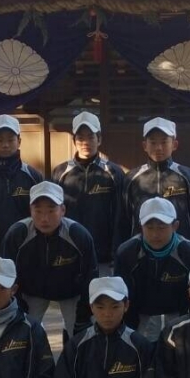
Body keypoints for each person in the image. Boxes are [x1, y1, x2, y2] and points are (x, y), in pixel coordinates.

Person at [1, 181, 98, 336]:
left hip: (71, 291)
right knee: (23, 332)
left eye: (51, 210)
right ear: (30, 210)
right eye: (38, 211)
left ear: (63, 210)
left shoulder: (78, 235)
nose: (44, 218)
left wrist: (84, 309)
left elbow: (90, 274)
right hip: (31, 291)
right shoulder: (17, 234)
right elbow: (8, 274)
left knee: (81, 333)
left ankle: (71, 348)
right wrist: (18, 303)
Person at [114, 197, 190, 341]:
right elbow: (122, 296)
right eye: (149, 227)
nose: (155, 234)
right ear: (141, 226)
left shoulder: (189, 253)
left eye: (161, 228)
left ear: (175, 226)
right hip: (139, 320)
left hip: (179, 319)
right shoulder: (126, 253)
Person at [122, 117, 190, 257]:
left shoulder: (189, 177)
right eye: (153, 142)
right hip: (140, 256)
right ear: (144, 145)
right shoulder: (131, 179)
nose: (158, 148)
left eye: (164, 142)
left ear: (174, 144)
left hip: (182, 255)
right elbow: (122, 221)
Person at [52, 111, 125, 271]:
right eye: (80, 137)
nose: (86, 142)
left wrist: (116, 253)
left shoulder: (114, 172)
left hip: (104, 257)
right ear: (74, 140)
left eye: (91, 137)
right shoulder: (60, 172)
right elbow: (54, 215)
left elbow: (120, 215)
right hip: (68, 254)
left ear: (99, 139)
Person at [0, 114, 42, 256]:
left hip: (26, 247)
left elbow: (40, 211)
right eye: (0, 140)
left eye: (10, 140)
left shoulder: (33, 176)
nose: (5, 145)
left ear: (19, 141)